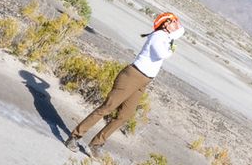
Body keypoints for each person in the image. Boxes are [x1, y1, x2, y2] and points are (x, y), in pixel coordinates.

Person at [66, 11, 184, 155]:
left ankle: (96, 144)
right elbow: (162, 54)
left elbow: (180, 32)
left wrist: (173, 38)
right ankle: (74, 136)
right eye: (173, 22)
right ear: (165, 24)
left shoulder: (166, 37)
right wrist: (172, 47)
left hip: (143, 82)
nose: (176, 25)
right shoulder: (158, 36)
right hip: (132, 76)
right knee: (108, 107)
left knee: (125, 115)